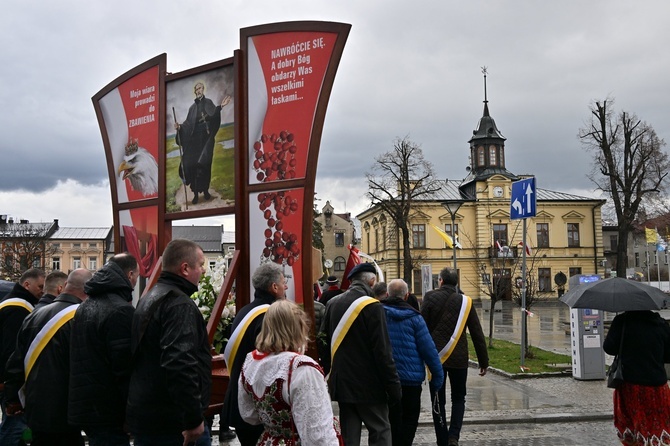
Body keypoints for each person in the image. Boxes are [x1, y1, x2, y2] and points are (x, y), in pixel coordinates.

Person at [126, 239, 211, 446]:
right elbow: (179, 362)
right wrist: (193, 419)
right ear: (185, 268)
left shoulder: (150, 297)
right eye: (200, 265)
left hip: (150, 415)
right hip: (173, 423)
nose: (203, 272)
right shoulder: (178, 304)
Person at [3, 268, 92, 446]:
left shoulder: (34, 314)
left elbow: (16, 362)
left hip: (36, 408)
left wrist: (12, 399)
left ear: (65, 286)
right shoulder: (82, 317)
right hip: (67, 410)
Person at [319, 262, 401, 446]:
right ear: (372, 282)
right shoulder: (373, 306)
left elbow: (322, 343)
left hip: (343, 384)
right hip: (370, 385)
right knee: (380, 431)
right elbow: (383, 351)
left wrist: (331, 374)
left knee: (349, 435)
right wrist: (393, 385)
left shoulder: (332, 303)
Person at [238, 300, 340, 445]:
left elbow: (249, 415)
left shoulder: (252, 361)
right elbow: (318, 437)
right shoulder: (301, 368)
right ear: (297, 329)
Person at [69, 253, 139, 446]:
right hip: (109, 410)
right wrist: (131, 412)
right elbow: (124, 368)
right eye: (136, 277)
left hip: (88, 406)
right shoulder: (120, 310)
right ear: (130, 274)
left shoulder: (85, 306)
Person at [221, 262, 287, 446]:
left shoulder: (245, 311)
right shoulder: (269, 315)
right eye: (283, 282)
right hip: (257, 406)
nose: (286, 286)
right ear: (274, 287)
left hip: (239, 399)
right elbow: (270, 363)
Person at [421, 267, 488, 446]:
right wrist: (483, 361)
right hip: (459, 358)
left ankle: (441, 438)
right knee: (459, 398)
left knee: (438, 400)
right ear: (456, 283)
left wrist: (421, 357)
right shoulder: (466, 301)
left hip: (436, 359)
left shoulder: (429, 297)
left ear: (440, 281)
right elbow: (477, 333)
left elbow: (422, 329)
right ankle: (453, 437)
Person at [382, 279, 443, 446]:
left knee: (390, 419)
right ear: (407, 295)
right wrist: (437, 376)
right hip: (411, 380)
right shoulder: (415, 318)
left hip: (386, 379)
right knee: (410, 419)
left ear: (387, 294)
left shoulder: (377, 314)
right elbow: (429, 350)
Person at [603, 310, 670, 444]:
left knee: (631, 427)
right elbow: (668, 356)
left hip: (630, 385)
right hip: (657, 387)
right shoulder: (660, 324)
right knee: (657, 427)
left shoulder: (622, 322)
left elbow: (609, 348)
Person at [0, 268, 45, 445]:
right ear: (27, 284)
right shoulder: (19, 309)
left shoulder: (9, 303)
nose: (43, 290)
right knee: (14, 426)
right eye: (40, 286)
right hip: (9, 380)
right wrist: (8, 381)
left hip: (6, 378)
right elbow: (11, 350)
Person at [175, 82, 232, 204]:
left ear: (203, 89)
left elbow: (214, 116)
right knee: (194, 166)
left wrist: (220, 106)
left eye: (200, 88)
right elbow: (187, 125)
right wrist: (180, 127)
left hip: (206, 138)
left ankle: (205, 190)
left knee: (205, 164)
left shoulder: (209, 102)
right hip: (195, 140)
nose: (198, 90)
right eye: (196, 89)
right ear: (195, 91)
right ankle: (195, 194)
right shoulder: (192, 108)